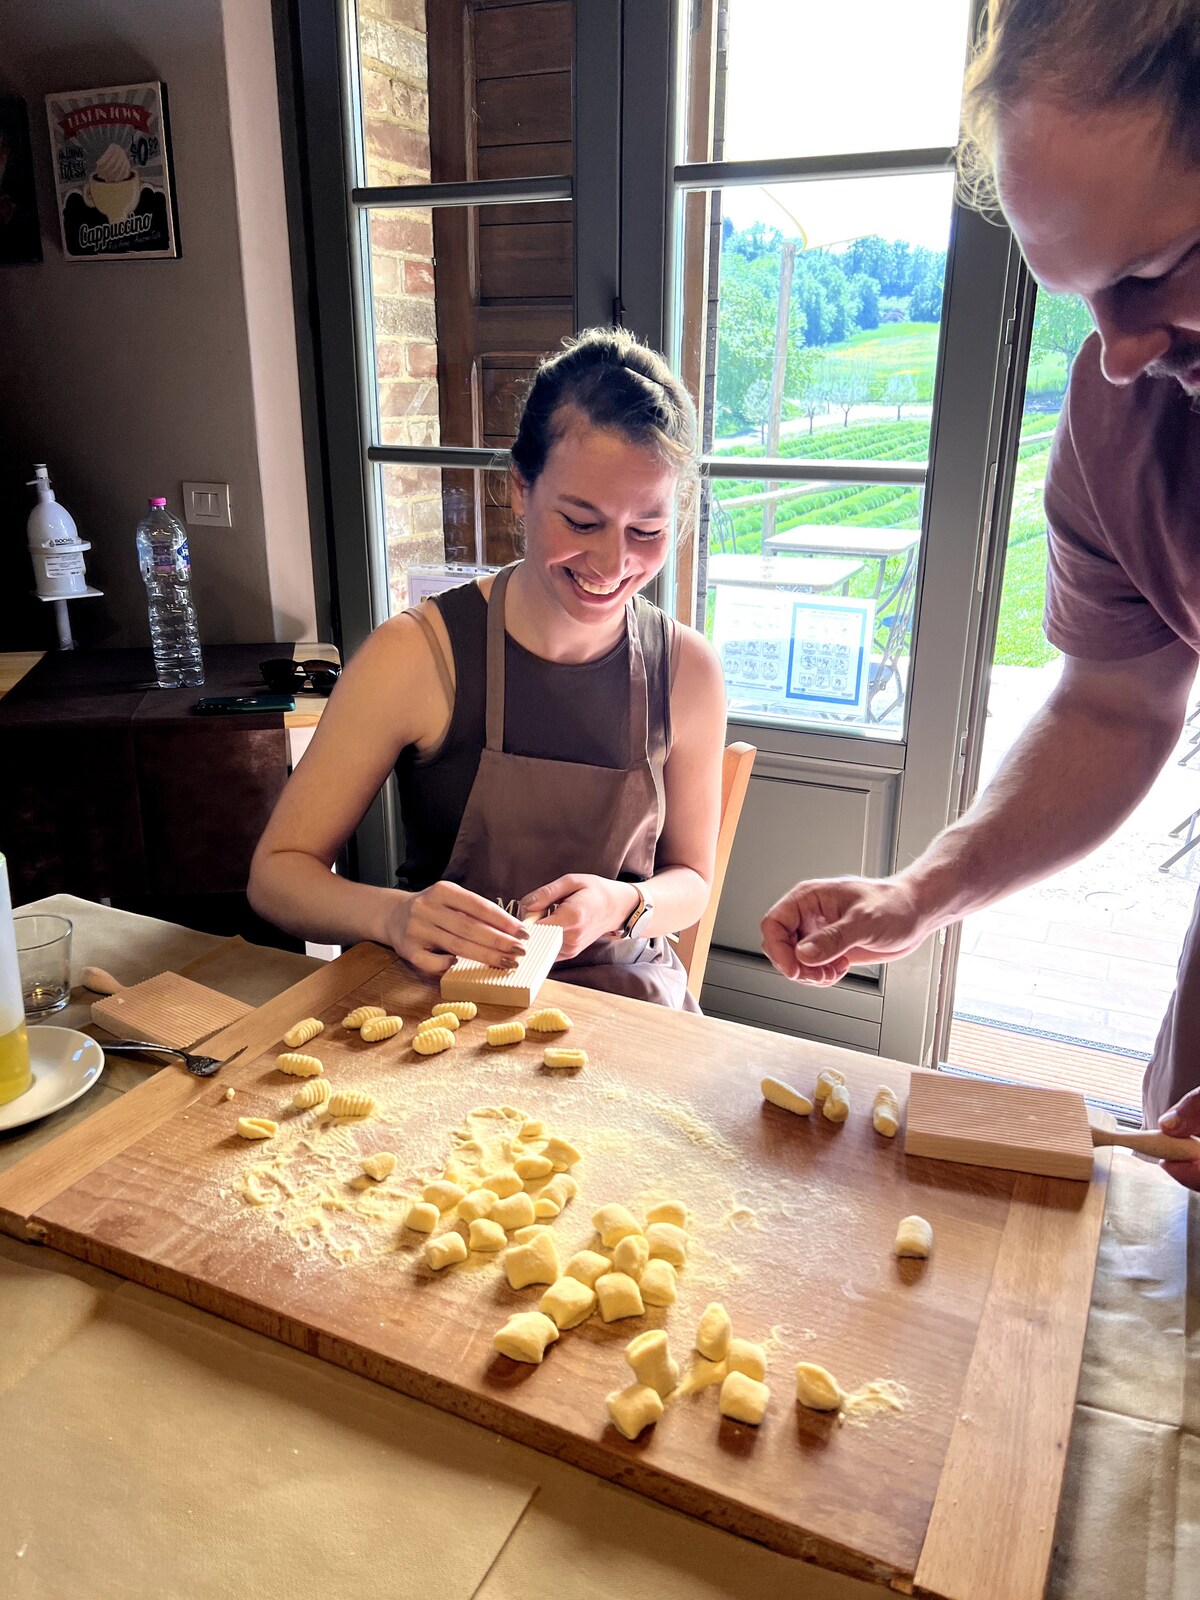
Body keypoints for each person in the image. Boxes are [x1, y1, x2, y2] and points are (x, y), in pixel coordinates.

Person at [761, 0, 1200, 1187]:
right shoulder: (1128, 420)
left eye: (1156, 271)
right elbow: (1117, 708)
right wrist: (923, 889)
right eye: (1085, 295)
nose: (1119, 350)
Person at [250, 328, 727, 1009]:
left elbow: (693, 882)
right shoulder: (416, 655)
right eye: (580, 520)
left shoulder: (688, 671)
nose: (612, 563)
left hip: (627, 999)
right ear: (520, 487)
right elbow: (275, 876)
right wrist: (393, 915)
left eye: (646, 531)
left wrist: (624, 903)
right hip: (444, 1000)